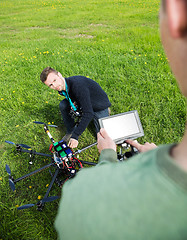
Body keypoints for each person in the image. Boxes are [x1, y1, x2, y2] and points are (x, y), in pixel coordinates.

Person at [54, 1, 187, 239]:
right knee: (67, 107)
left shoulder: (79, 86)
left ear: (176, 16)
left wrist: (105, 155)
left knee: (103, 132)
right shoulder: (64, 91)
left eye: (55, 82)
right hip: (87, 110)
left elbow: (86, 112)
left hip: (98, 107)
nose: (53, 87)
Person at [40, 67, 111, 148]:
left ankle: (105, 112)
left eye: (54, 80)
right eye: (51, 85)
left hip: (99, 106)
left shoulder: (77, 86)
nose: (55, 85)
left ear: (59, 75)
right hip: (86, 101)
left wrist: (75, 136)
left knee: (102, 138)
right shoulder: (62, 87)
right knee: (63, 105)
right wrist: (75, 103)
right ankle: (71, 130)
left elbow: (88, 113)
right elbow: (73, 95)